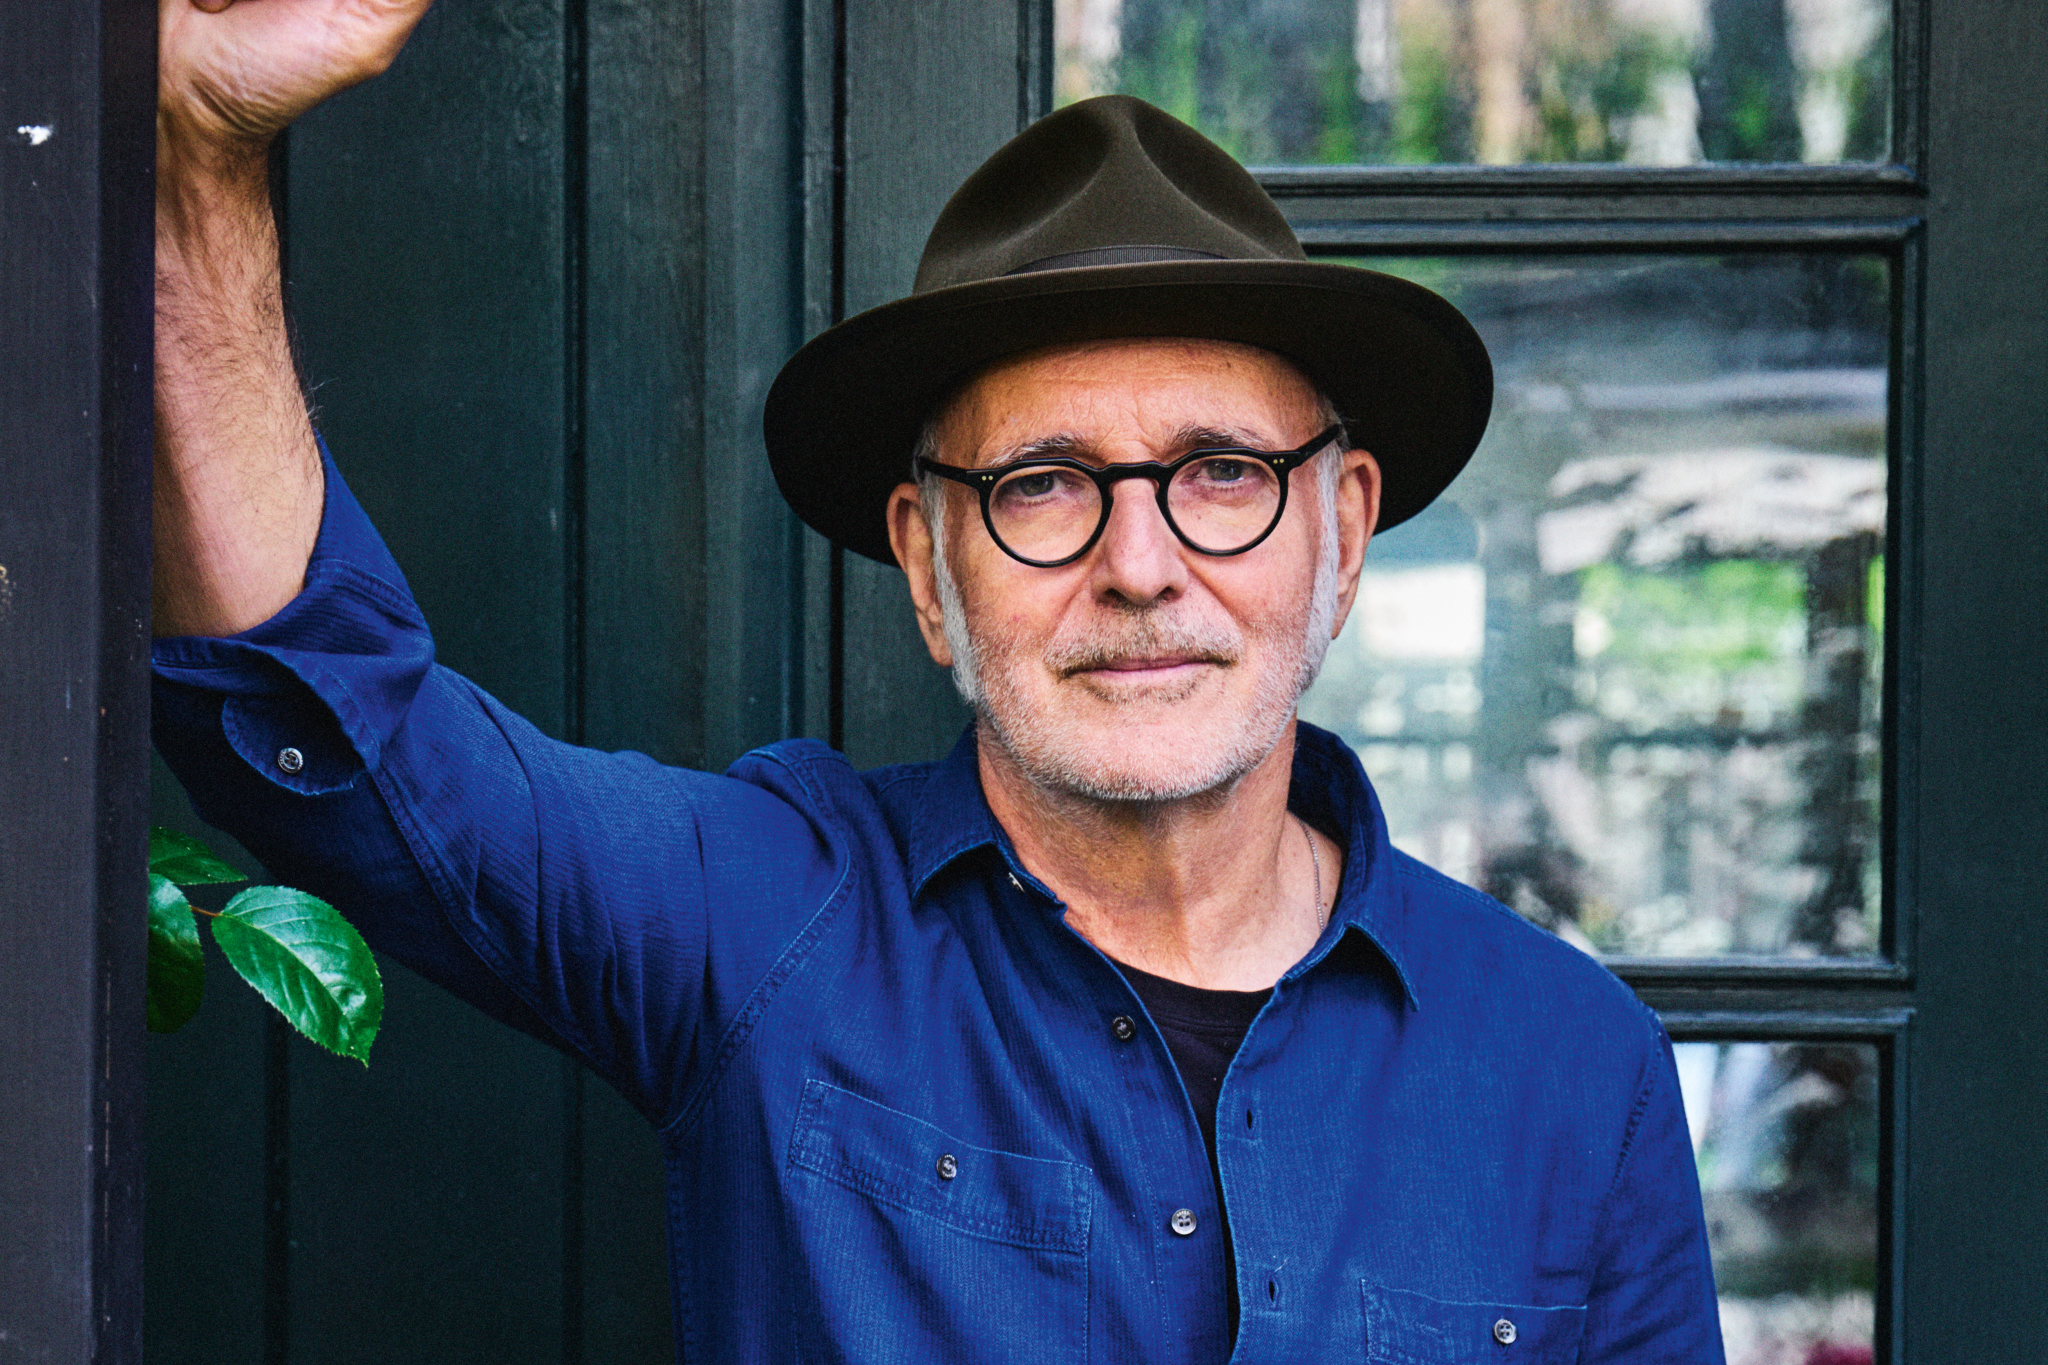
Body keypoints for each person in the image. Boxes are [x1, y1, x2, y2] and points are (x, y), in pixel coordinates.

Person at [152, 1, 1725, 1360]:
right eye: (1042, 484)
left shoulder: (1573, 1068)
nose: (1141, 565)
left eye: (1224, 473)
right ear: (925, 563)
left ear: (1346, 528)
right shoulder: (769, 922)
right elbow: (332, 726)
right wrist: (200, 162)